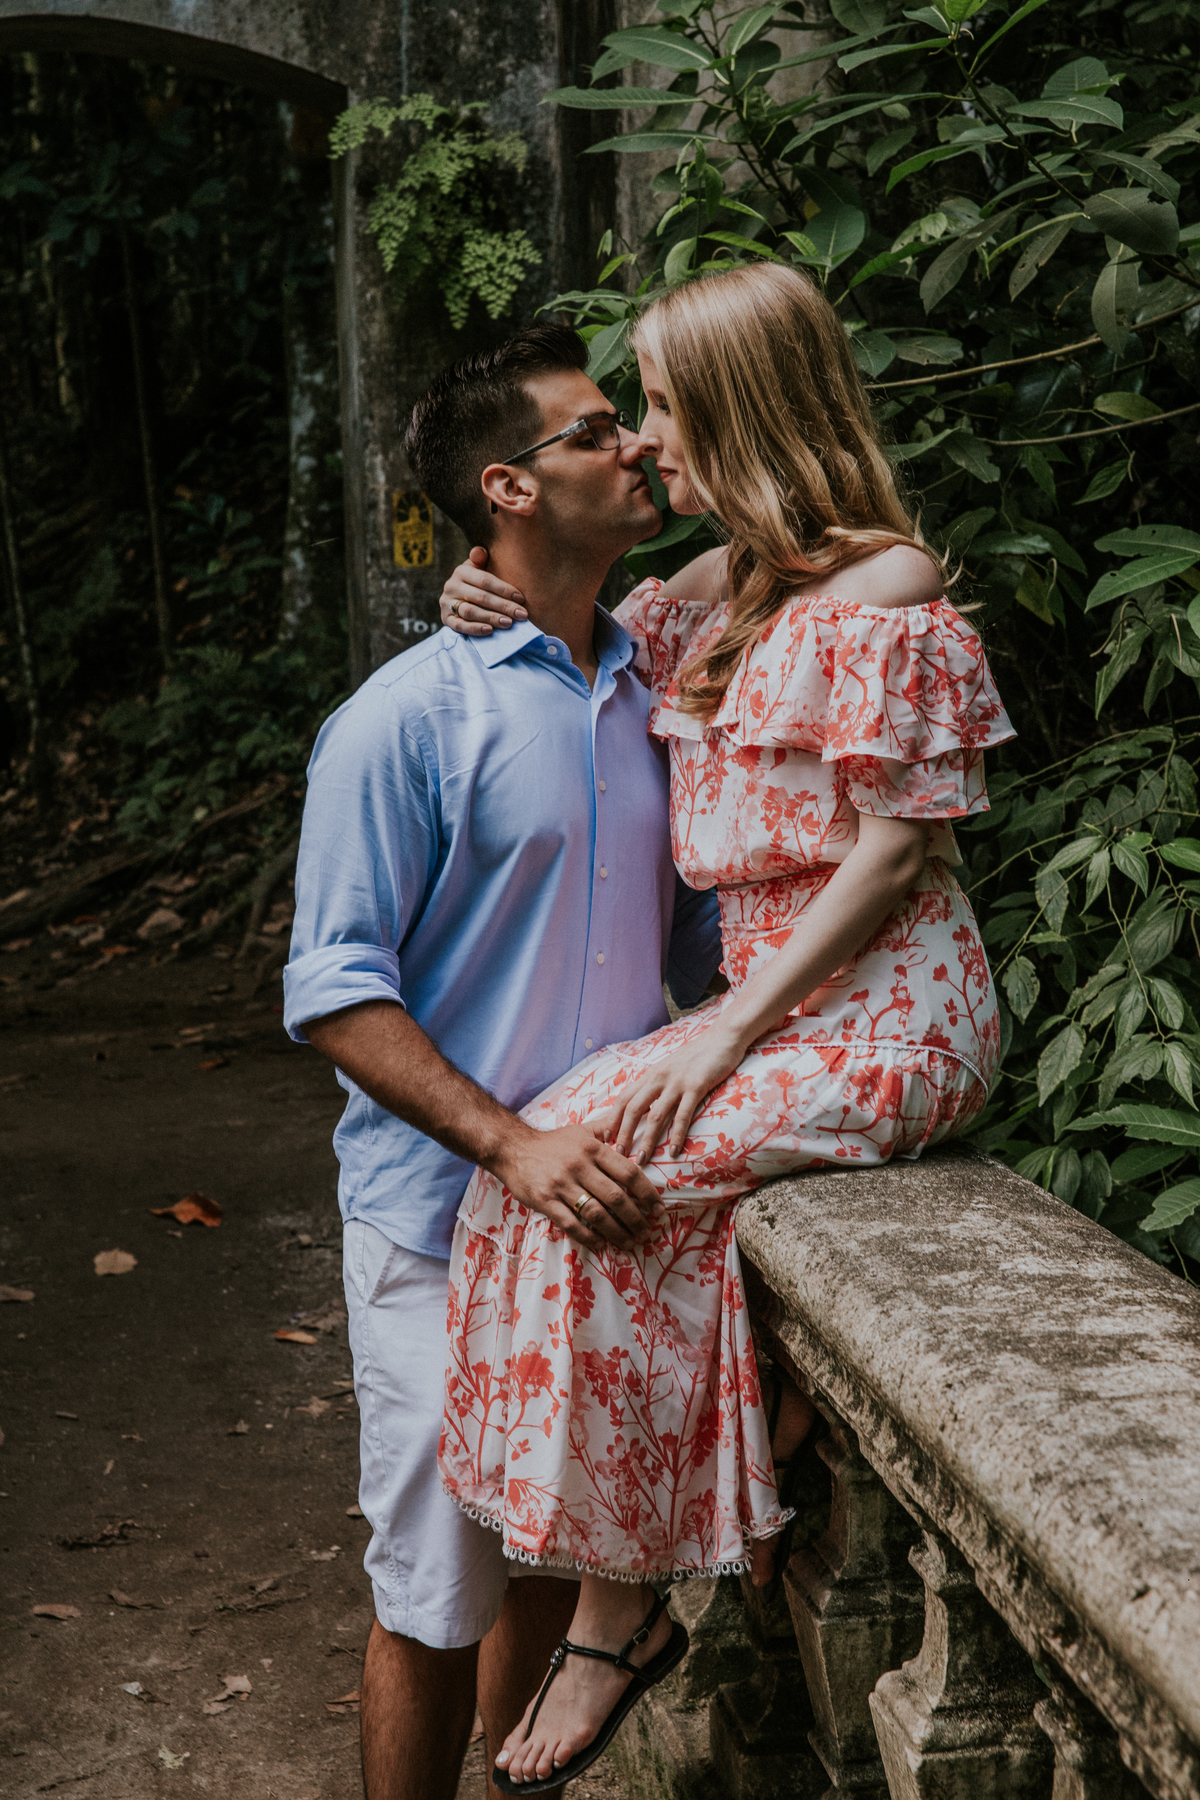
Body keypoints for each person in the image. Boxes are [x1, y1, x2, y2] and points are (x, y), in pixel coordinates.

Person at [434, 262, 1016, 1792]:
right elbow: (571, 609)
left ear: (745, 411)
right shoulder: (714, 591)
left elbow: (895, 858)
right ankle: (720, 1461)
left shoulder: (882, 593)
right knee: (528, 1168)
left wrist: (715, 1037)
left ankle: (620, 1612)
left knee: (621, 1171)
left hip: (888, 1013)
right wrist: (471, 588)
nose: (646, 447)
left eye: (668, 410)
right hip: (774, 1015)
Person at [283, 323, 726, 1800]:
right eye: (599, 430)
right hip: (438, 1218)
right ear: (507, 488)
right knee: (435, 1589)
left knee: (555, 1550)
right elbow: (339, 994)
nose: (636, 447)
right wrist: (511, 1144)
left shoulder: (656, 680)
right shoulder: (406, 719)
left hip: (604, 1217)